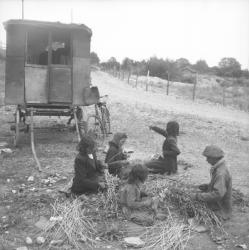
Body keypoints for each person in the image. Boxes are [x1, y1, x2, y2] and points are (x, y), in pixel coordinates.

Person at [190, 145, 232, 220]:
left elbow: (217, 194)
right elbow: (220, 186)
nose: (207, 160)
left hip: (220, 209)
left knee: (191, 211)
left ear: (214, 158)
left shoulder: (220, 173)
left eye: (208, 158)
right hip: (219, 204)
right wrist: (208, 186)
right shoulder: (220, 167)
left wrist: (197, 196)